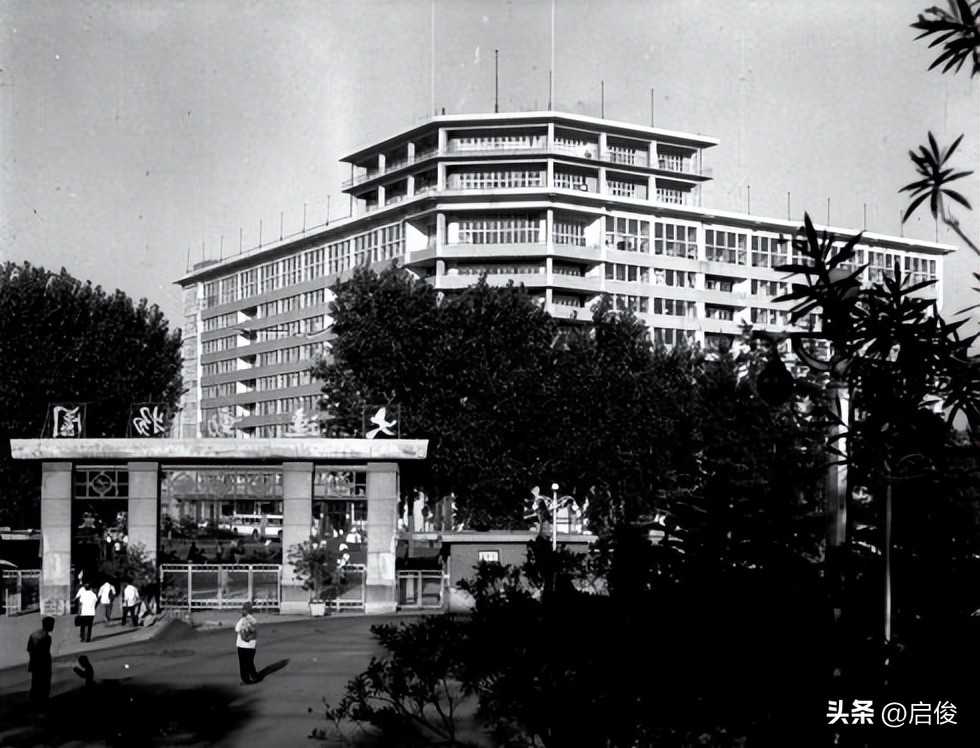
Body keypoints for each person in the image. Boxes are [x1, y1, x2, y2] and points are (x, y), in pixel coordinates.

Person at [27, 616, 55, 708]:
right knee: (44, 684)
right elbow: (45, 652)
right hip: (44, 663)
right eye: (52, 625)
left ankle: (33, 702)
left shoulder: (34, 634)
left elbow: (29, 649)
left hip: (34, 662)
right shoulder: (47, 638)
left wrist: (33, 658)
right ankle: (42, 704)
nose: (53, 627)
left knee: (35, 683)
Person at [235, 602, 259, 685]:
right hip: (251, 645)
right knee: (249, 662)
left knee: (243, 663)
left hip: (242, 645)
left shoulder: (242, 620)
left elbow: (237, 629)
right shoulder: (254, 620)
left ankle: (246, 679)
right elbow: (254, 632)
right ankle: (254, 676)